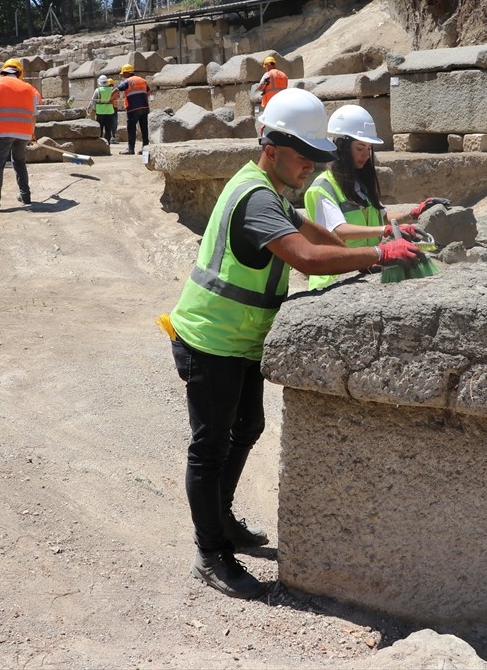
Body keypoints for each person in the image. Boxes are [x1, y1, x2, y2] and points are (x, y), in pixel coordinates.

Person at [167, 88, 422, 599]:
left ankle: (222, 519)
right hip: (211, 338)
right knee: (210, 447)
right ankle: (211, 551)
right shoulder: (256, 196)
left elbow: (314, 232)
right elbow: (304, 256)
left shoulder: (274, 187)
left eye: (315, 159)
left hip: (240, 339)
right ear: (271, 146)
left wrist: (386, 240)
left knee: (248, 425)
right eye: (303, 157)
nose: (310, 167)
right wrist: (377, 256)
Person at [303, 104, 450, 290]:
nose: (366, 155)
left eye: (369, 148)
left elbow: (382, 216)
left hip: (363, 270)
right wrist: (385, 231)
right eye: (360, 148)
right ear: (341, 147)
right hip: (333, 279)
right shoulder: (323, 188)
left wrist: (412, 214)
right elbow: (340, 230)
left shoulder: (359, 183)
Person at [0, 58, 42, 209]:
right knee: (19, 162)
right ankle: (25, 196)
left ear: (4, 71)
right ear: (19, 73)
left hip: (4, 131)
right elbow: (33, 115)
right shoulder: (29, 88)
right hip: (24, 133)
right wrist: (32, 134)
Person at [116, 63, 149, 155]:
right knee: (144, 128)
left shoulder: (128, 81)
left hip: (132, 109)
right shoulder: (143, 80)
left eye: (123, 74)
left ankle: (131, 149)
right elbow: (148, 92)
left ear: (127, 73)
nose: (123, 76)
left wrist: (111, 97)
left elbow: (117, 89)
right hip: (144, 107)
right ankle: (145, 147)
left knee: (131, 129)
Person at [92, 75, 119, 143]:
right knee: (108, 129)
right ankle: (108, 144)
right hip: (110, 112)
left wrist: (89, 108)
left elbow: (93, 100)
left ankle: (100, 143)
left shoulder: (98, 90)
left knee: (100, 128)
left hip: (100, 112)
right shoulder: (111, 90)